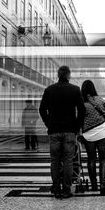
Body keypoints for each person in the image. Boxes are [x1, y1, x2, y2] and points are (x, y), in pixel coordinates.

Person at [39, 66, 85, 199]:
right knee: (68, 160)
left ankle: (56, 188)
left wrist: (49, 123)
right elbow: (82, 110)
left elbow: (42, 110)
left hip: (54, 131)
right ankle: (66, 189)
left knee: (55, 160)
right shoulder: (75, 90)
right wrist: (77, 126)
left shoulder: (49, 90)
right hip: (70, 130)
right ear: (69, 76)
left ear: (58, 75)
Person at [81, 80, 105, 195]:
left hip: (88, 134)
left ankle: (94, 185)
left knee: (91, 159)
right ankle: (103, 185)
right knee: (104, 159)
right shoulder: (100, 99)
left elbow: (78, 119)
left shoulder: (81, 102)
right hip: (102, 132)